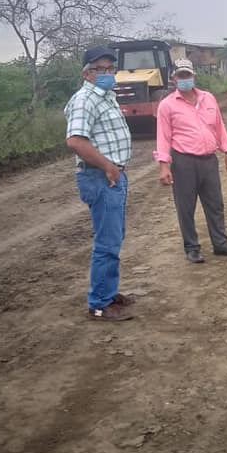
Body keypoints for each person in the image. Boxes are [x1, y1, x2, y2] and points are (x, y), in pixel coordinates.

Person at [65, 45, 135, 321]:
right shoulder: (85, 100)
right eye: (99, 69)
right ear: (87, 73)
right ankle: (100, 304)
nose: (107, 73)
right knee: (107, 242)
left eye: (110, 68)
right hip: (100, 176)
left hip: (112, 175)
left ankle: (108, 292)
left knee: (114, 237)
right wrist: (107, 166)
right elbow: (75, 141)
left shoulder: (106, 97)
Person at [155, 58, 227, 263]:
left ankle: (220, 244)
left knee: (215, 204)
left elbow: (219, 127)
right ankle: (192, 248)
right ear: (174, 79)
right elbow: (163, 137)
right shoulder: (167, 105)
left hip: (208, 160)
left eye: (187, 75)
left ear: (193, 76)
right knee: (186, 207)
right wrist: (163, 165)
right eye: (180, 76)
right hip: (183, 161)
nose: (184, 79)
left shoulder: (208, 98)